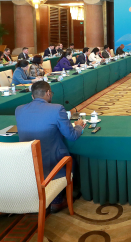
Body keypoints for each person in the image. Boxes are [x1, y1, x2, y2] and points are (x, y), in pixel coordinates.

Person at [15, 81, 84, 212]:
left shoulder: (19, 109)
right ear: (48, 93)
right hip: (51, 162)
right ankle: (57, 200)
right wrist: (79, 126)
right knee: (72, 160)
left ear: (32, 96)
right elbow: (72, 136)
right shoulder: (57, 109)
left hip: (28, 162)